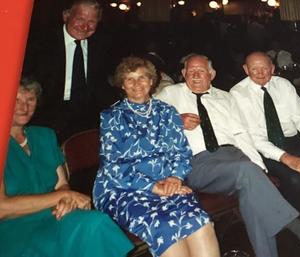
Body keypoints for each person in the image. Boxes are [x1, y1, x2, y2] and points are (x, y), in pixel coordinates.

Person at [156, 54, 300, 257]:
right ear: (183, 74)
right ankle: (297, 226)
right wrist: (175, 120)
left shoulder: (226, 97)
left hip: (237, 158)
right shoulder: (169, 94)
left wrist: (260, 168)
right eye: (191, 71)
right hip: (199, 163)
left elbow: (243, 135)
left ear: (212, 74)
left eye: (201, 71)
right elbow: (146, 122)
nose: (196, 75)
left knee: (251, 195)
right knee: (246, 172)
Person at [93, 57, 220, 257]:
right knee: (166, 228)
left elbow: (181, 151)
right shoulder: (112, 117)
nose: (137, 84)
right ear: (122, 85)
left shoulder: (167, 112)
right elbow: (113, 167)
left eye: (142, 77)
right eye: (130, 79)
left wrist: (175, 178)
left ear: (152, 81)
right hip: (124, 190)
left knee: (199, 222)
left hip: (169, 185)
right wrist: (153, 187)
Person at [0, 77, 133, 257]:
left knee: (96, 223)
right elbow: (3, 209)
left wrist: (66, 200)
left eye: (30, 99)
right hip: (15, 229)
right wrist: (63, 196)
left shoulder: (44, 136)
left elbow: (61, 184)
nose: (24, 107)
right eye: (16, 100)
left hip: (55, 215)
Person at [230, 51, 300, 214]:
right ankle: (296, 221)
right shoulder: (237, 94)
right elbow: (254, 137)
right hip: (263, 150)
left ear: (272, 68)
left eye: (265, 68)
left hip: (293, 142)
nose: (261, 73)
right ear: (246, 70)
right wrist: (286, 158)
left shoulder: (283, 85)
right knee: (296, 179)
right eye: (254, 69)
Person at [27, 0, 112, 141]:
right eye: (80, 19)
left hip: (86, 116)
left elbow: (101, 85)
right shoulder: (41, 43)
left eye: (92, 21)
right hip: (46, 114)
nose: (85, 26)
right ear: (66, 16)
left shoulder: (101, 45)